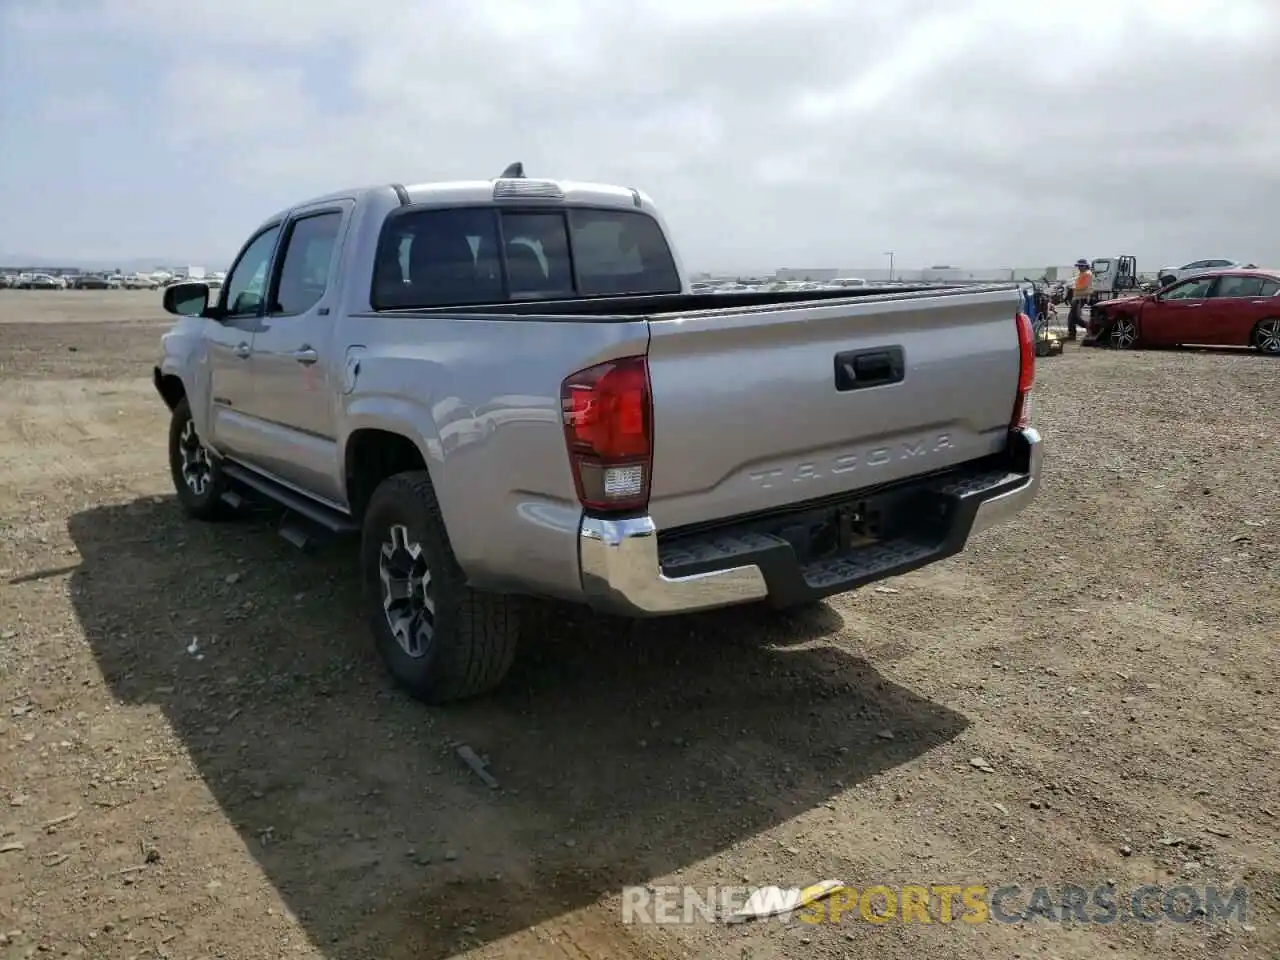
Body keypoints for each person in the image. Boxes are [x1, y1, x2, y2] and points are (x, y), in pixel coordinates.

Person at [1067, 258, 1093, 340]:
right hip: (1077, 297)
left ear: (1085, 266)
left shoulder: (1087, 274)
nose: (1080, 267)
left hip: (1081, 298)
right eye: (1079, 266)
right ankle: (1072, 334)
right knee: (1072, 317)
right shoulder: (1081, 274)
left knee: (1075, 317)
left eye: (1081, 266)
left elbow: (1084, 286)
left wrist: (1072, 288)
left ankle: (1089, 328)